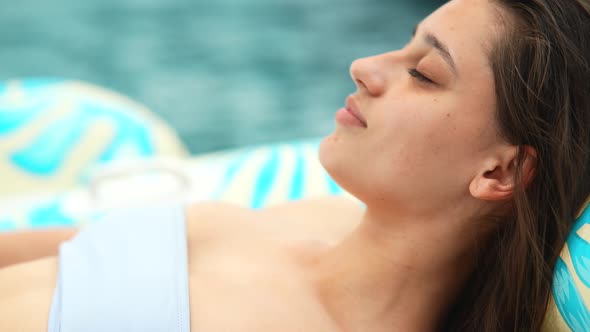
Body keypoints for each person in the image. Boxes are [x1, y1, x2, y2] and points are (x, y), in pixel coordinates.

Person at [1, 0, 589, 330]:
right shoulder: (312, 219)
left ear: (498, 173)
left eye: (424, 73)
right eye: (403, 44)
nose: (363, 65)